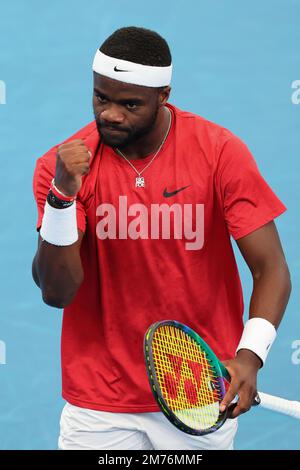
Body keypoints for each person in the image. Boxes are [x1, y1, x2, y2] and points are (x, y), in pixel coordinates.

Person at [32, 26, 291, 450]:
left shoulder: (219, 152)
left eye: (129, 103)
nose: (110, 114)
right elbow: (57, 292)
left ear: (163, 95)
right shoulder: (62, 166)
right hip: (101, 400)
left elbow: (271, 269)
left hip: (199, 390)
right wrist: (61, 197)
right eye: (102, 98)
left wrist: (250, 355)